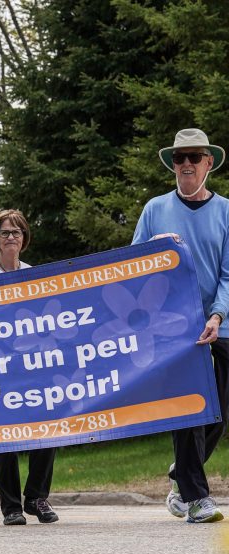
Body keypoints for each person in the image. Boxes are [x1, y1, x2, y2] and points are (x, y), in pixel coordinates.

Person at [133, 128, 228, 524]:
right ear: (173, 164)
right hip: (174, 328)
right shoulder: (155, 209)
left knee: (219, 413)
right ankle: (196, 497)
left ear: (209, 163)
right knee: (190, 409)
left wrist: (217, 314)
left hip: (220, 323)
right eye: (179, 158)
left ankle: (179, 476)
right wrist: (159, 250)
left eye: (194, 156)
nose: (186, 164)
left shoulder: (226, 210)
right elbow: (133, 264)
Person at [0, 210, 59, 526]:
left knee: (47, 429)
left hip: (33, 367)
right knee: (5, 437)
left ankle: (36, 497)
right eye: (6, 232)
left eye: (17, 232)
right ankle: (10, 506)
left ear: (24, 238)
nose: (12, 237)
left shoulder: (35, 275)